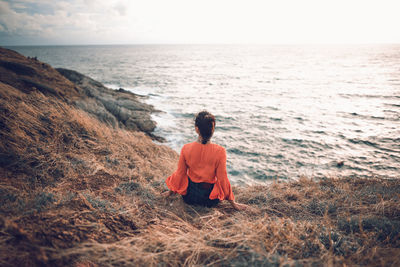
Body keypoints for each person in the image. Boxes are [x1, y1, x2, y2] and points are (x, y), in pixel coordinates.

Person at [163, 111, 248, 211]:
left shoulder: (186, 148)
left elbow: (180, 174)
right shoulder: (220, 151)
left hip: (189, 197)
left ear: (196, 129)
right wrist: (233, 203)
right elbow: (222, 179)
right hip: (209, 200)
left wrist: (170, 192)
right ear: (213, 129)